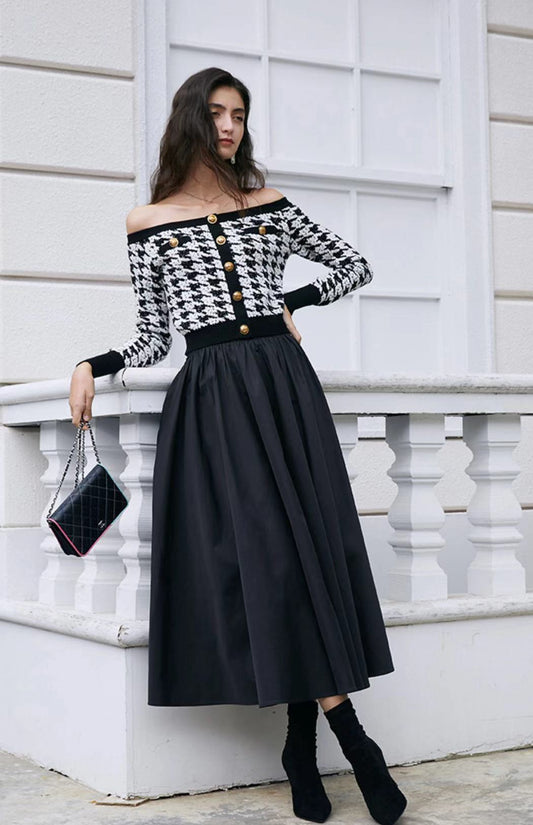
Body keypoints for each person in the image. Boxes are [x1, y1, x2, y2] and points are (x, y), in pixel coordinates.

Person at [69, 67, 407, 825]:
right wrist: (94, 363)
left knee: (302, 552)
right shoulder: (147, 221)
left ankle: (298, 746)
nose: (229, 126)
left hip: (285, 388)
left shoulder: (268, 204)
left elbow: (353, 265)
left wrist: (290, 300)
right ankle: (356, 745)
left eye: (240, 115)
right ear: (191, 118)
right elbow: (154, 336)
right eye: (217, 112)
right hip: (215, 400)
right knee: (272, 559)